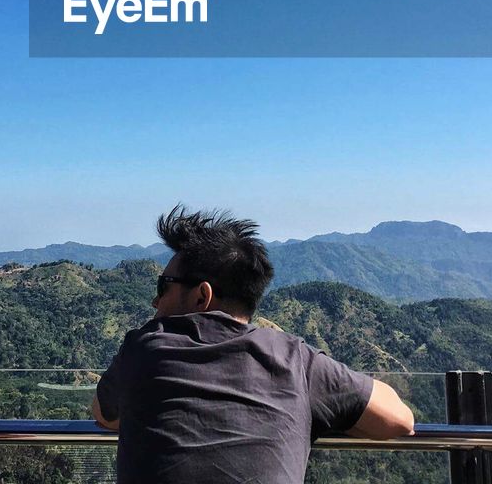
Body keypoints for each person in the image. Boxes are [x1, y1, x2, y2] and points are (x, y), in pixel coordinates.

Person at [92, 206, 415, 484]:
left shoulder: (146, 347)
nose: (155, 300)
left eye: (164, 286)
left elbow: (106, 416)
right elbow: (398, 420)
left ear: (202, 295)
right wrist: (313, 414)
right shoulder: (294, 359)